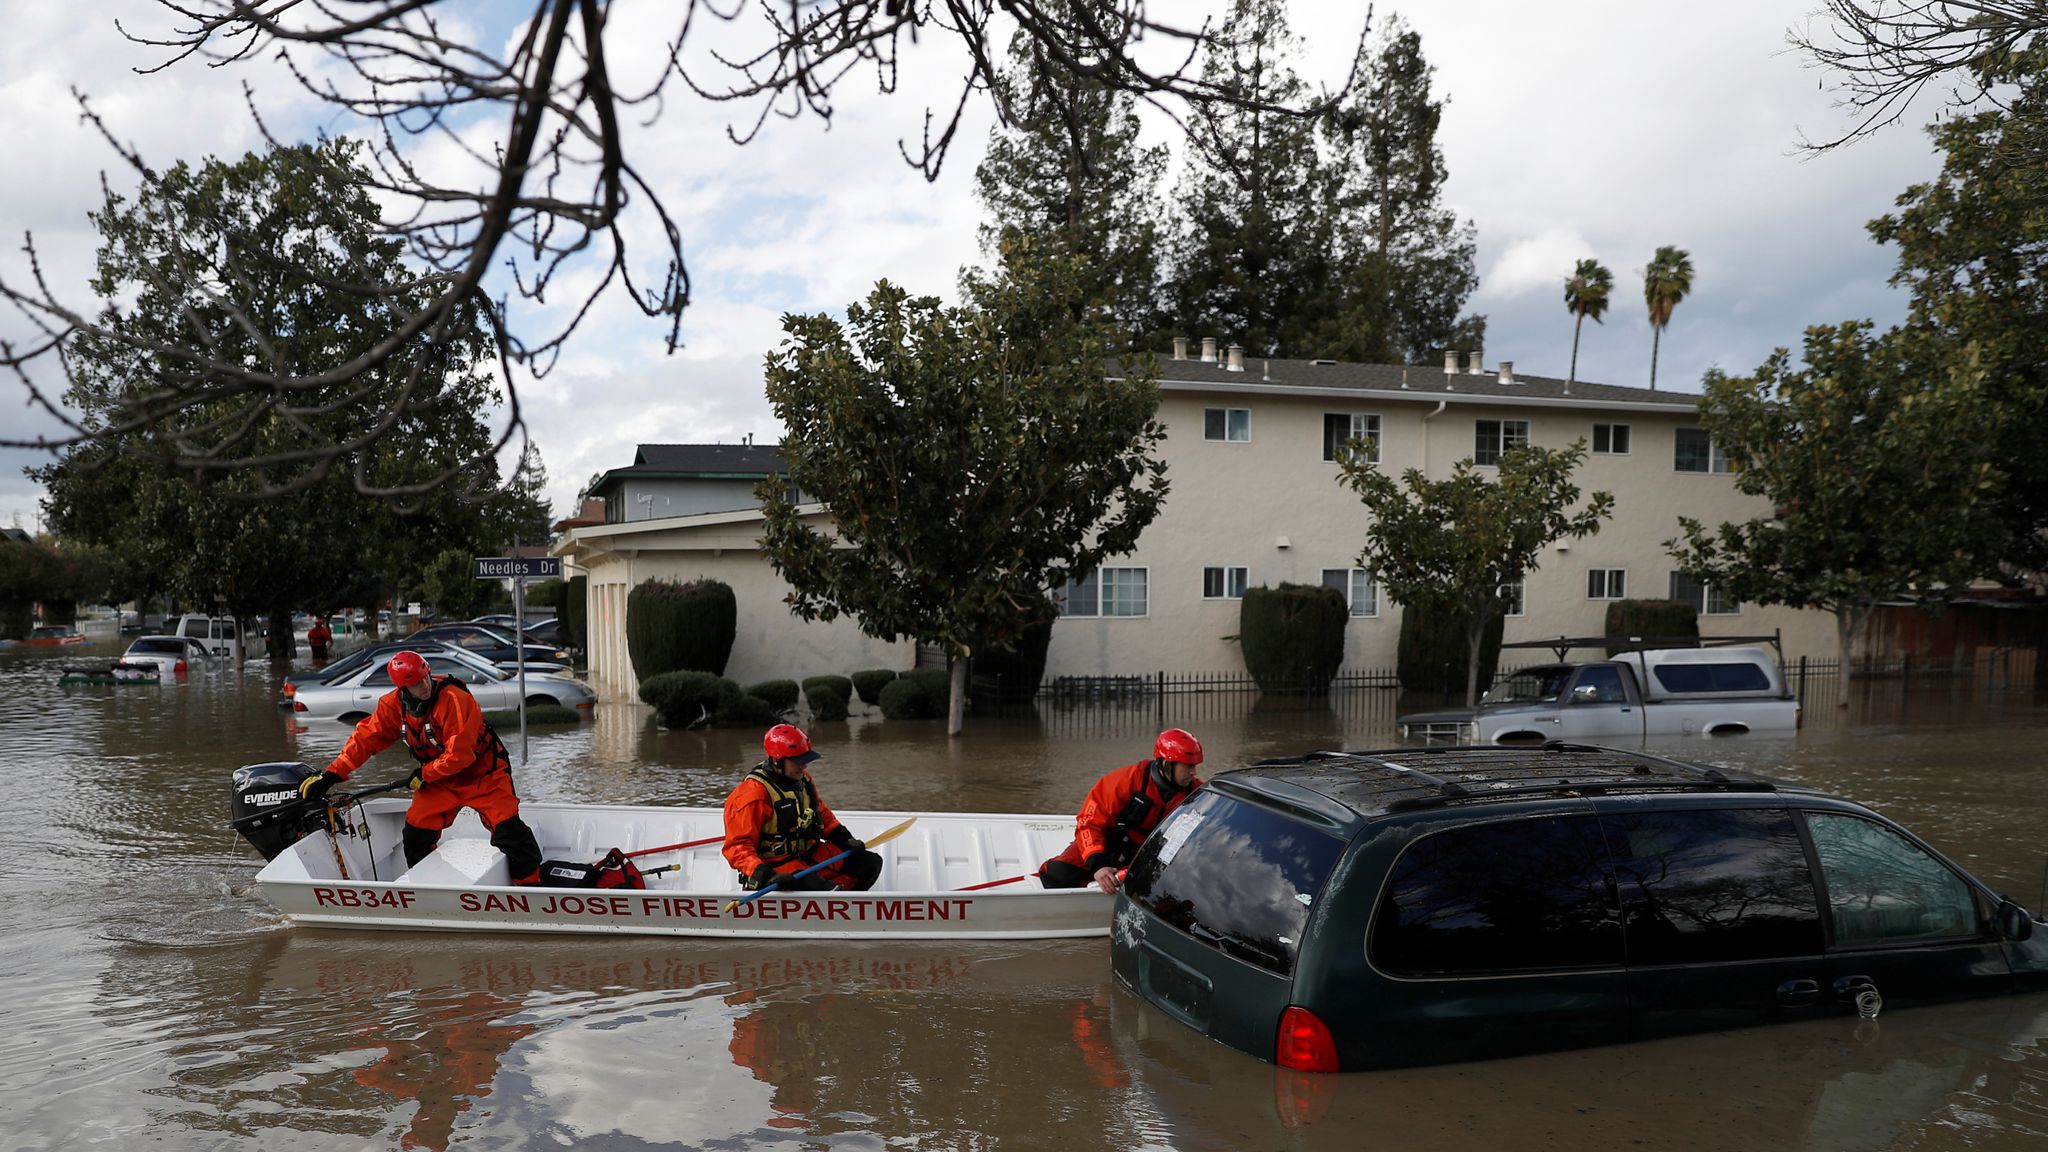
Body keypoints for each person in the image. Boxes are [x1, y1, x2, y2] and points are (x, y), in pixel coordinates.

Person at [297, 650, 543, 885]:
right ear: (402, 688)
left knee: (510, 833)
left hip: (484, 775)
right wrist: (331, 775)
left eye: (426, 678)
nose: (424, 686)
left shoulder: (455, 700)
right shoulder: (392, 706)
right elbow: (365, 740)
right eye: (416, 684)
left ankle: (531, 888)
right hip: (440, 780)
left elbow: (460, 755)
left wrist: (425, 774)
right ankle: (430, 888)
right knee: (416, 834)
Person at [1038, 728, 1205, 893]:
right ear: (1167, 764)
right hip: (1107, 844)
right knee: (1058, 874)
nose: (1193, 772)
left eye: (1195, 767)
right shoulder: (1126, 780)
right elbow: (1089, 823)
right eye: (1188, 766)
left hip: (1148, 856)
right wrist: (1098, 865)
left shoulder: (1197, 794)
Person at [723, 724, 882, 892]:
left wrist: (845, 839)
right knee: (817, 886)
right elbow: (737, 847)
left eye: (805, 760)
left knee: (869, 864)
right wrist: (765, 875)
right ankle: (832, 898)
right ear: (777, 761)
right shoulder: (752, 794)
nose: (804, 766)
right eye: (798, 761)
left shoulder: (803, 780)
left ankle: (842, 901)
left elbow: (821, 815)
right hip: (775, 867)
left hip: (808, 854)